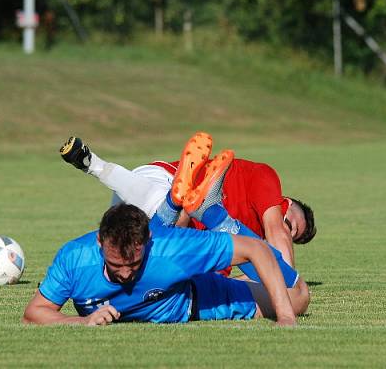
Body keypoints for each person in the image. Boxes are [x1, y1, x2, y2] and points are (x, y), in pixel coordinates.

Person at [22, 203, 309, 326]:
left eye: (133, 265)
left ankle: (218, 218)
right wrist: (81, 321)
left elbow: (256, 249)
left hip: (199, 300)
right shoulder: (74, 257)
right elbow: (35, 313)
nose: (124, 274)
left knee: (298, 298)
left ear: (147, 241)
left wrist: (285, 317)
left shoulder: (171, 246)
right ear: (99, 242)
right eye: (114, 265)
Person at [59, 132, 316, 269]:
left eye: (291, 236)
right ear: (287, 201)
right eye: (289, 223)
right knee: (173, 212)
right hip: (160, 180)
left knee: (126, 254)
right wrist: (285, 280)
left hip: (142, 219)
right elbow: (276, 232)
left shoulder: (245, 243)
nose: (284, 232)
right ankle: (94, 164)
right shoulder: (264, 178)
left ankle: (71, 268)